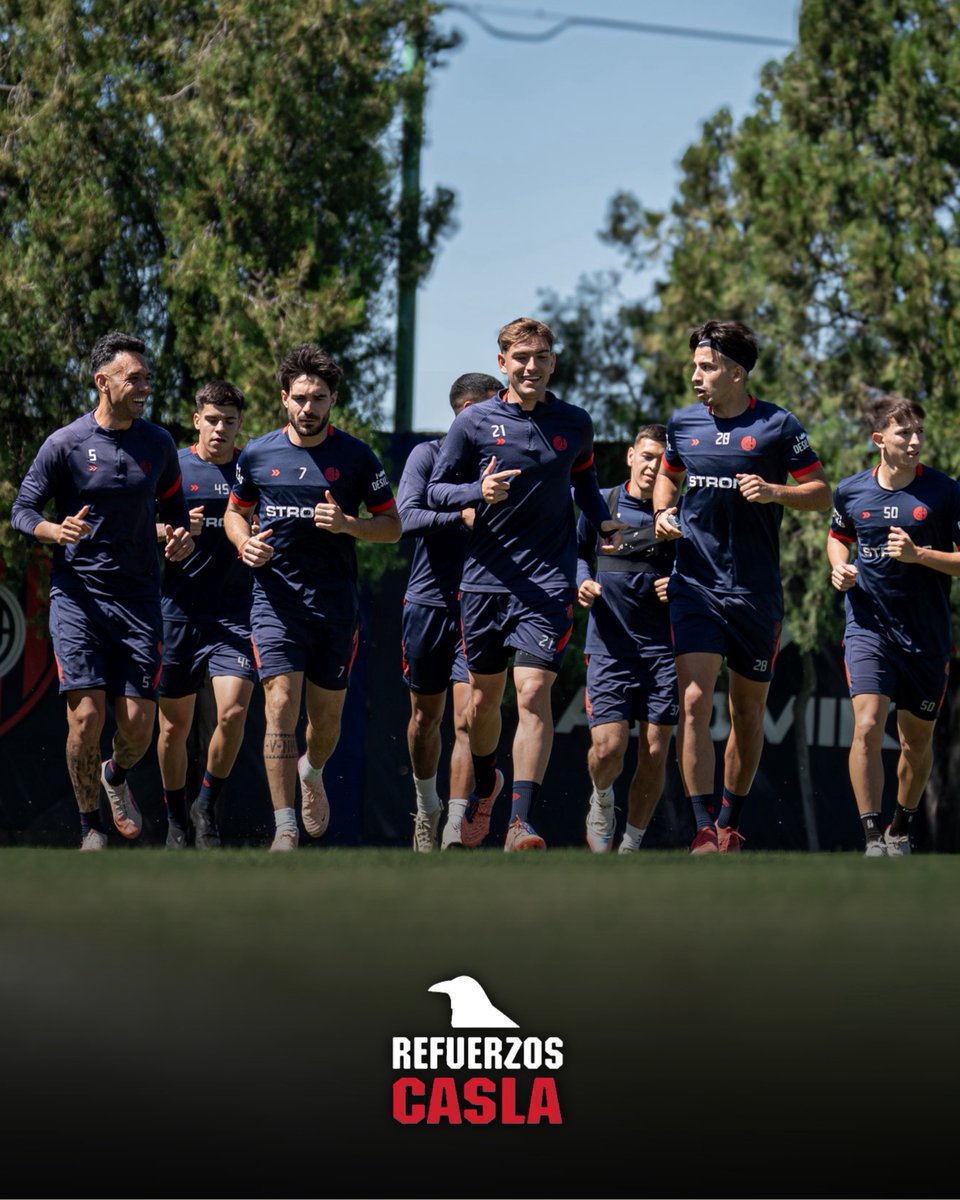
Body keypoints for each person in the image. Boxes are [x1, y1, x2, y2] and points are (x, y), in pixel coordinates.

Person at [426, 317, 624, 852]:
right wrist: (477, 490)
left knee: (533, 694)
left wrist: (599, 517)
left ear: (553, 362)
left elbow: (582, 477)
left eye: (540, 357)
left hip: (548, 582)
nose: (530, 366)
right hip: (486, 582)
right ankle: (487, 781)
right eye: (521, 358)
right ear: (502, 364)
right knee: (479, 707)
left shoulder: (575, 423)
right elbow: (437, 492)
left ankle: (520, 822)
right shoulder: (472, 425)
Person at [653, 319, 831, 854]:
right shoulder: (683, 424)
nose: (695, 376)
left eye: (706, 367)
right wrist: (663, 510)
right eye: (694, 366)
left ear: (735, 372)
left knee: (747, 714)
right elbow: (668, 473)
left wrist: (776, 492)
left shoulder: (778, 425)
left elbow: (821, 493)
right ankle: (703, 825)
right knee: (692, 702)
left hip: (755, 592)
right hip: (695, 584)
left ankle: (730, 820)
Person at [11, 331, 194, 850]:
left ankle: (115, 775)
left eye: (146, 378)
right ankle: (91, 826)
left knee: (138, 727)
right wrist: (55, 530)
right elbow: (22, 511)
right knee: (86, 716)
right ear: (102, 382)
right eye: (132, 378)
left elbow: (175, 510)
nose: (143, 387)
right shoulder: (64, 444)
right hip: (79, 599)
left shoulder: (158, 444)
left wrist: (177, 538)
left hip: (138, 600)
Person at [224, 343, 401, 851]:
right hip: (275, 604)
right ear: (284, 399)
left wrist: (348, 524)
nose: (309, 407)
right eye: (300, 397)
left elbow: (392, 527)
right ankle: (283, 827)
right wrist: (243, 541)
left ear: (333, 400)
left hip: (335, 608)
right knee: (279, 704)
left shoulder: (356, 457)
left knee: (324, 724)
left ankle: (312, 769)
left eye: (318, 398)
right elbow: (237, 512)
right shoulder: (257, 453)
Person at [828, 395, 960, 857]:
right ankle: (871, 838)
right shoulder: (851, 490)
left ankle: (899, 830)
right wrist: (838, 567)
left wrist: (919, 555)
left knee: (915, 740)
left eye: (919, 431)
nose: (916, 440)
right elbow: (837, 536)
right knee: (866, 725)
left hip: (925, 635)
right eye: (905, 433)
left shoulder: (946, 492)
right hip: (868, 627)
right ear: (879, 439)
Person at [397, 372, 501, 852]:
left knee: (467, 717)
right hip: (428, 603)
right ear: (462, 412)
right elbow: (405, 516)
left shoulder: (506, 463)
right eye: (479, 413)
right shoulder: (429, 454)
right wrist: (458, 514)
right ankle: (427, 806)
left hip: (481, 605)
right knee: (424, 719)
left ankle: (457, 827)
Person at [156, 380, 256, 849]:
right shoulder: (173, 465)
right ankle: (176, 819)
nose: (220, 429)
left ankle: (206, 807)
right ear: (197, 419)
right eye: (212, 420)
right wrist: (171, 530)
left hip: (236, 615)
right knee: (173, 727)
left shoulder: (250, 468)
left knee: (233, 711)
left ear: (240, 425)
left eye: (229, 422)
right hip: (177, 614)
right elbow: (136, 524)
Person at [577, 424, 678, 854]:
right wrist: (581, 581)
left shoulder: (679, 516)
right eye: (648, 455)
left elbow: (703, 573)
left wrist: (678, 583)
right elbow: (576, 554)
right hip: (609, 649)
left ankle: (631, 844)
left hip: (664, 653)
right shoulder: (601, 503)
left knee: (654, 752)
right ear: (632, 456)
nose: (655, 466)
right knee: (608, 747)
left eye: (664, 460)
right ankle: (601, 800)